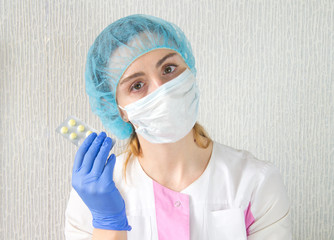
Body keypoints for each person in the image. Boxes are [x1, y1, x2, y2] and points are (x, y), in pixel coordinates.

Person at [64, 14, 292, 240]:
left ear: (189, 68)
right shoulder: (94, 198)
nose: (162, 89)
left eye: (169, 69)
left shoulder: (254, 183)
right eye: (137, 85)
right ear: (118, 109)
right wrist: (108, 224)